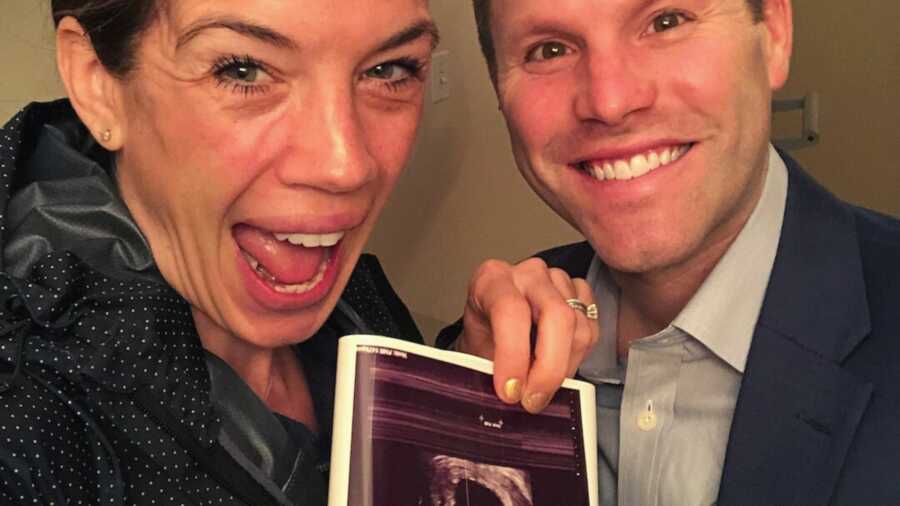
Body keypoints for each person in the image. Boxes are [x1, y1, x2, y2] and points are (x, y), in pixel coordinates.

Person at [440, 0, 900, 504]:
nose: (610, 101)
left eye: (666, 21)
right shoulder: (485, 348)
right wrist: (457, 407)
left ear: (773, 33)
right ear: (497, 89)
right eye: (548, 50)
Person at [0, 0, 440, 504]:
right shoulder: (25, 426)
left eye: (389, 70)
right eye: (243, 69)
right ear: (98, 82)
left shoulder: (359, 303)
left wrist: (474, 409)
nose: (345, 166)